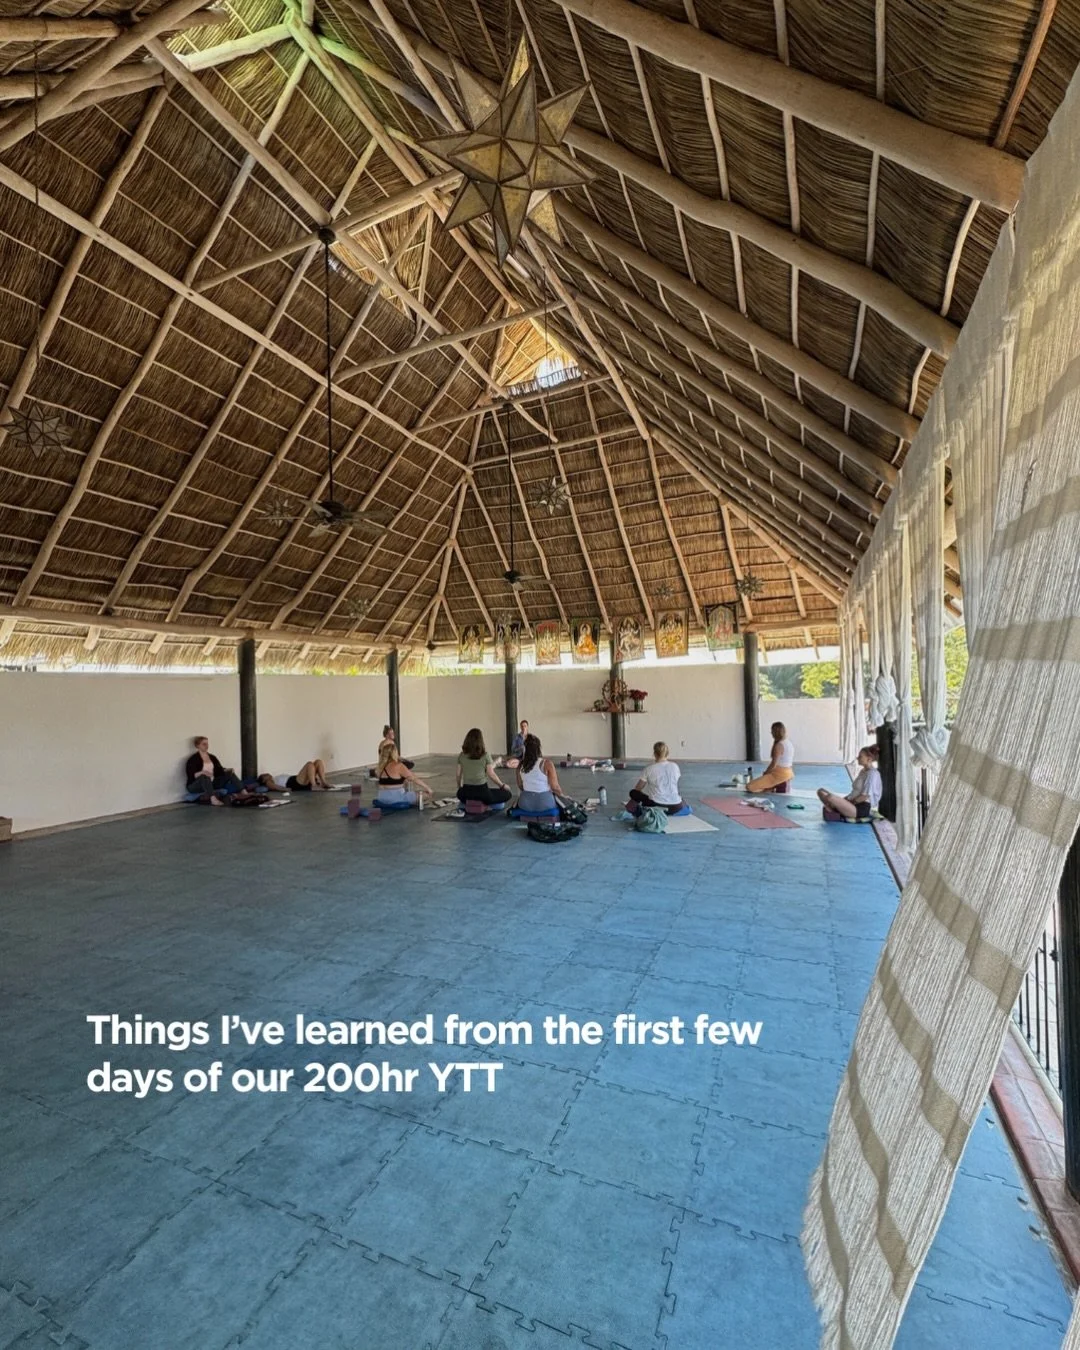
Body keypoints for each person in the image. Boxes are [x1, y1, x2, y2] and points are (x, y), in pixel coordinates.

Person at [818, 745, 882, 821]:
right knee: (821, 791)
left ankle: (835, 810)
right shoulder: (863, 771)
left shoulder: (873, 774)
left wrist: (847, 802)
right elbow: (855, 792)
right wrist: (844, 800)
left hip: (860, 808)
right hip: (851, 802)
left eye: (860, 756)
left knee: (830, 797)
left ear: (869, 759)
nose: (857, 758)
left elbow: (864, 796)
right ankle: (835, 810)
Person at [185, 736, 254, 806]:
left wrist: (227, 770)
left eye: (207, 744)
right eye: (204, 744)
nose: (207, 746)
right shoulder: (193, 759)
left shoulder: (212, 757)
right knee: (204, 777)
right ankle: (213, 799)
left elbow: (219, 770)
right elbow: (192, 775)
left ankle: (244, 792)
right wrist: (203, 772)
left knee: (230, 773)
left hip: (212, 783)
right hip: (196, 785)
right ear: (197, 746)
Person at [456, 727, 512, 807]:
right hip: (482, 793)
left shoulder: (462, 755)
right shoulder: (485, 755)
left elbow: (458, 775)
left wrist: (459, 787)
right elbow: (491, 774)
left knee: (459, 794)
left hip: (466, 793)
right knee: (507, 794)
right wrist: (502, 785)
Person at [626, 742, 684, 816]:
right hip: (676, 807)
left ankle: (635, 811)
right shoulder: (675, 766)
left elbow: (638, 788)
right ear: (667, 753)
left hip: (656, 805)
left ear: (655, 754)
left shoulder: (649, 768)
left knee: (633, 793)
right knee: (675, 793)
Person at [514, 734, 562, 815]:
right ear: (538, 748)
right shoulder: (547, 763)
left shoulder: (520, 765)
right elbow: (555, 787)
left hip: (525, 804)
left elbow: (521, 786)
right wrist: (563, 797)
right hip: (545, 803)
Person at [747, 722, 796, 793]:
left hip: (778, 775)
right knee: (761, 783)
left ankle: (771, 787)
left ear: (775, 732)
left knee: (750, 786)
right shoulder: (788, 742)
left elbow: (774, 764)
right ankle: (771, 787)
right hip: (788, 772)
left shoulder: (779, 745)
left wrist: (766, 773)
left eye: (772, 731)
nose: (771, 733)